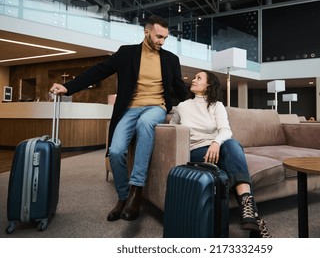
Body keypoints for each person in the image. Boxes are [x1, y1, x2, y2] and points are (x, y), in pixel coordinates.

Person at [49, 15, 189, 222]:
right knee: (114, 152)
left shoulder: (170, 59)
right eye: (159, 36)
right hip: (129, 108)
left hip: (155, 107)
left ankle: (136, 190)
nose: (161, 41)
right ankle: (124, 197)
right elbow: (99, 71)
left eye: (165, 38)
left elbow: (179, 87)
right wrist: (69, 86)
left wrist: (203, 101)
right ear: (147, 32)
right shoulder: (127, 53)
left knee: (146, 123)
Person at [169, 70, 271, 238]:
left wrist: (216, 143)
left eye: (198, 78)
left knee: (232, 144)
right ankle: (255, 220)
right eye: (194, 78)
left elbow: (225, 131)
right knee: (232, 153)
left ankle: (250, 215)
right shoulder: (183, 106)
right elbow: (172, 128)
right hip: (197, 152)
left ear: (208, 85)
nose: (193, 80)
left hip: (218, 148)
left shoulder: (216, 106)